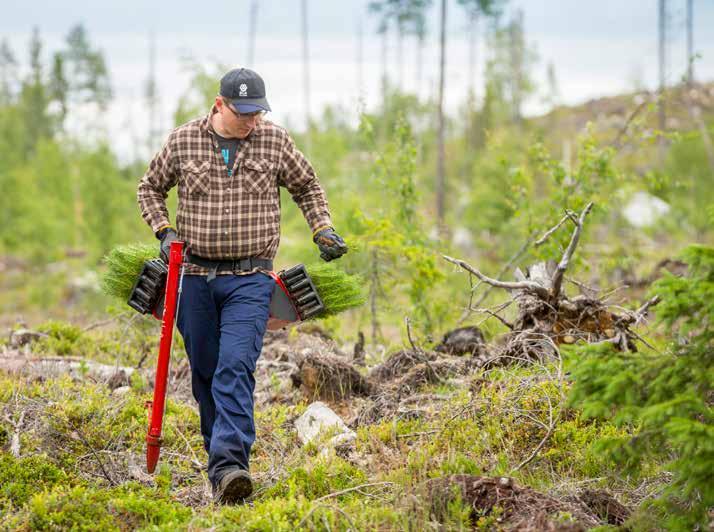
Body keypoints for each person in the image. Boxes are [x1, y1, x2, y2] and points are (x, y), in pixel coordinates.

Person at [136, 67, 348, 504]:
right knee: (207, 372)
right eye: (243, 113)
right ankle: (222, 468)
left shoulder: (275, 140)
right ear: (219, 105)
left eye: (258, 112)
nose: (252, 121)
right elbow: (149, 188)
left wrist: (322, 228)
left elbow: (307, 186)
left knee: (236, 365)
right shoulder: (183, 140)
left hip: (250, 278)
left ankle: (232, 463)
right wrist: (163, 231)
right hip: (192, 276)